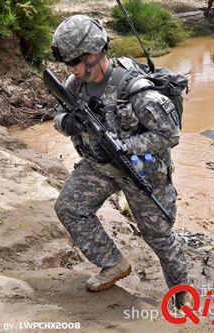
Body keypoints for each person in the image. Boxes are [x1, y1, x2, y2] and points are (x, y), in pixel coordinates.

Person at [50, 15, 190, 308]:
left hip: (141, 171)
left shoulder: (136, 90)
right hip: (99, 166)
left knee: (160, 237)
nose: (70, 69)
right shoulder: (75, 84)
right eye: (68, 64)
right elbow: (57, 116)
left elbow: (169, 134)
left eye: (74, 62)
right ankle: (113, 263)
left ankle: (181, 295)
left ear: (92, 55)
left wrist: (126, 146)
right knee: (69, 207)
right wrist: (69, 122)